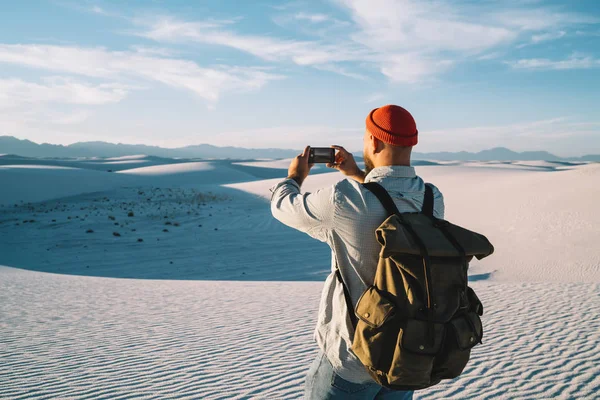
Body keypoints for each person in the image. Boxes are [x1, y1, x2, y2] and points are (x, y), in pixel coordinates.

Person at [270, 105, 445, 400]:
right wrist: (357, 173)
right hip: (407, 357)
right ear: (412, 143)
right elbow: (390, 203)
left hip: (352, 361)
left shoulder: (345, 199)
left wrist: (295, 176)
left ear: (374, 142)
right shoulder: (432, 199)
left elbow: (283, 206)